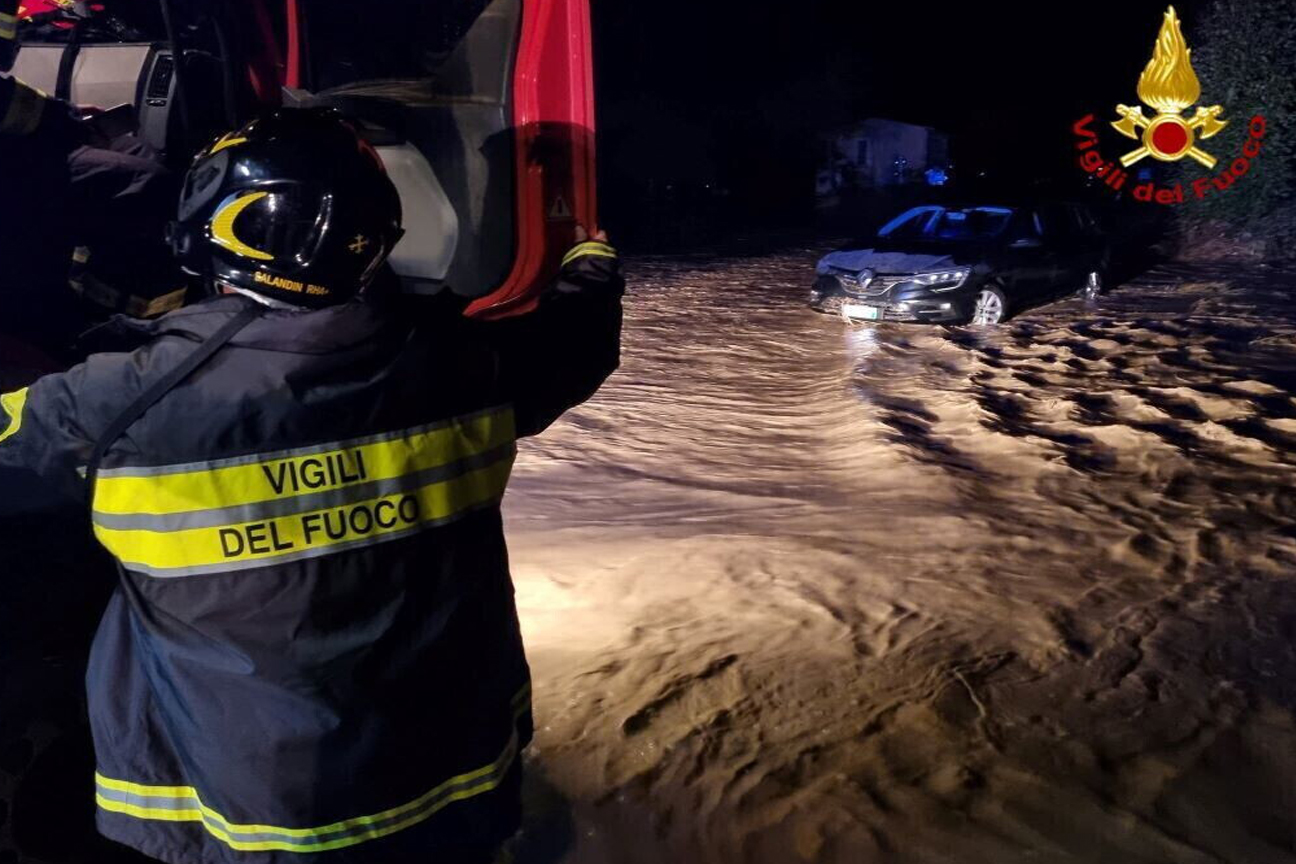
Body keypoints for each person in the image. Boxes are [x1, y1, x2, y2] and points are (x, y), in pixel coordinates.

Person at [0, 107, 623, 864]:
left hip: (249, 816)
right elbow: (579, 339)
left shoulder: (112, 404)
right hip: (452, 793)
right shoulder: (471, 370)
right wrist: (589, 257)